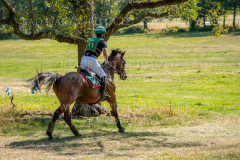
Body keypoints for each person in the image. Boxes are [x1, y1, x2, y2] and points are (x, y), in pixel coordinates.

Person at [81, 26, 110, 99]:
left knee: (86, 76)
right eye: (104, 33)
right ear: (102, 34)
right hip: (91, 60)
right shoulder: (102, 42)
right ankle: (103, 93)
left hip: (84, 59)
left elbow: (86, 51)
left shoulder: (90, 39)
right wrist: (106, 61)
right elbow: (105, 54)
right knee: (103, 76)